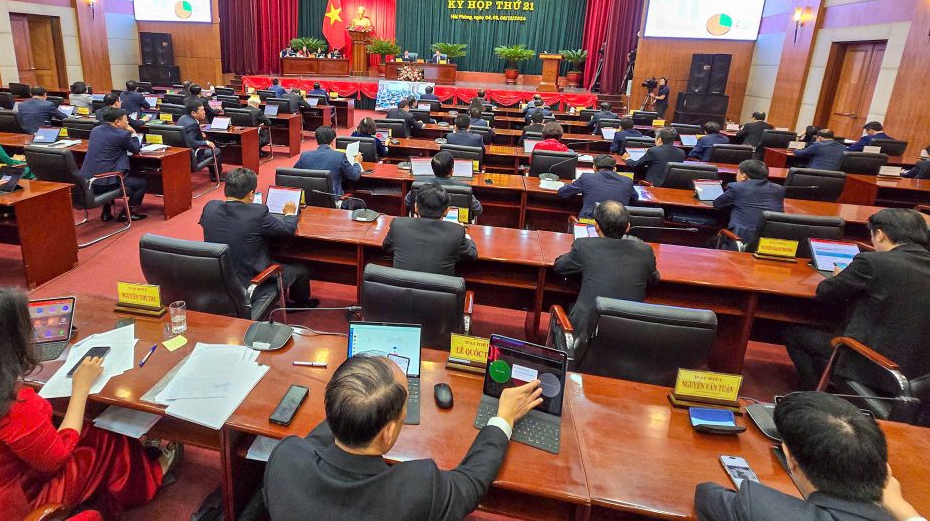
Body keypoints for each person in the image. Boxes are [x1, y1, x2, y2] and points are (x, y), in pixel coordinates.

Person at [0, 288, 178, 521]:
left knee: (86, 431)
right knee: (104, 437)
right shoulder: (13, 406)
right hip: (12, 506)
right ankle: (151, 475)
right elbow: (57, 459)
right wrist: (80, 388)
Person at [265, 354, 542, 521]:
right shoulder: (419, 489)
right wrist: (504, 418)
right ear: (387, 433)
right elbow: (470, 482)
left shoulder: (285, 459)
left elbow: (319, 440)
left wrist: (356, 396)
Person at [695, 391, 923, 521]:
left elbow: (706, 493)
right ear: (883, 469)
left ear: (791, 460)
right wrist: (902, 508)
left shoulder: (760, 508)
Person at [783, 208, 930, 389]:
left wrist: (841, 276)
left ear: (880, 235)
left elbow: (825, 291)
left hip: (872, 362)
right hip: (920, 375)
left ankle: (813, 394)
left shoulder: (872, 262)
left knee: (793, 334)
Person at [199, 167, 316, 307]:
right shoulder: (257, 213)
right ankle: (300, 304)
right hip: (252, 282)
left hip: (217, 278)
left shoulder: (210, 208)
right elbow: (287, 229)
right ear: (250, 194)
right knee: (301, 271)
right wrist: (290, 214)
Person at [553, 201, 659, 332]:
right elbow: (654, 279)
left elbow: (559, 267)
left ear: (596, 226)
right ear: (628, 227)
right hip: (629, 332)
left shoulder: (584, 246)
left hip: (586, 332)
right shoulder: (645, 251)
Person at [383, 183, 477, 276]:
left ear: (416, 207)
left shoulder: (398, 225)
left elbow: (386, 247)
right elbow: (472, 255)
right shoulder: (456, 232)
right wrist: (467, 237)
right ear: (446, 211)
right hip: (439, 286)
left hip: (401, 285)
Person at [80, 107, 148, 222]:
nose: (127, 122)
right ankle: (127, 213)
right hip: (105, 182)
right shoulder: (122, 134)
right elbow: (136, 149)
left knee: (110, 169)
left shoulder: (95, 130)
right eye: (126, 120)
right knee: (142, 183)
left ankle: (106, 212)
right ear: (117, 122)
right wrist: (133, 133)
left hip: (87, 180)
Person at [712, 159, 785, 247]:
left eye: (738, 173)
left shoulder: (737, 187)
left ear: (744, 176)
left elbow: (717, 204)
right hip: (771, 240)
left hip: (739, 239)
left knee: (711, 241)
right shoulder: (779, 189)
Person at [405, 151, 483, 218]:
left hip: (422, 222)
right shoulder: (464, 187)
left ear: (432, 169)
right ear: (452, 170)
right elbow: (478, 209)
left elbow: (407, 202)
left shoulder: (419, 183)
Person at [294, 125, 362, 197]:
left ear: (316, 141)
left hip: (309, 198)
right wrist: (357, 162)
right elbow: (354, 176)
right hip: (333, 199)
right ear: (332, 141)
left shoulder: (305, 156)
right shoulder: (340, 156)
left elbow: (293, 174)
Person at [558, 155, 636, 217]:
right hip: (617, 223)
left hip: (590, 221)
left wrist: (576, 184)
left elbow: (562, 193)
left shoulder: (586, 178)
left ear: (594, 168)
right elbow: (635, 199)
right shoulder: (628, 181)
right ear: (614, 169)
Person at [177, 99, 224, 182]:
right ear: (193, 113)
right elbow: (191, 142)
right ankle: (215, 176)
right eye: (202, 110)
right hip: (193, 156)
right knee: (216, 150)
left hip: (181, 154)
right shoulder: (193, 124)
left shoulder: (183, 118)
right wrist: (206, 142)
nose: (204, 112)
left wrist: (199, 133)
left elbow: (186, 135)